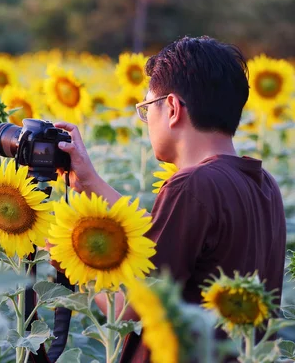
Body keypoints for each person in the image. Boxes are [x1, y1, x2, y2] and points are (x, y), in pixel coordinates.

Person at [52, 36, 287, 362]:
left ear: (173, 108)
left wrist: (71, 255)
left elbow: (124, 309)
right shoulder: (262, 184)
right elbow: (161, 243)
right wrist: (90, 182)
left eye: (147, 109)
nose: (147, 122)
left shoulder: (191, 187)